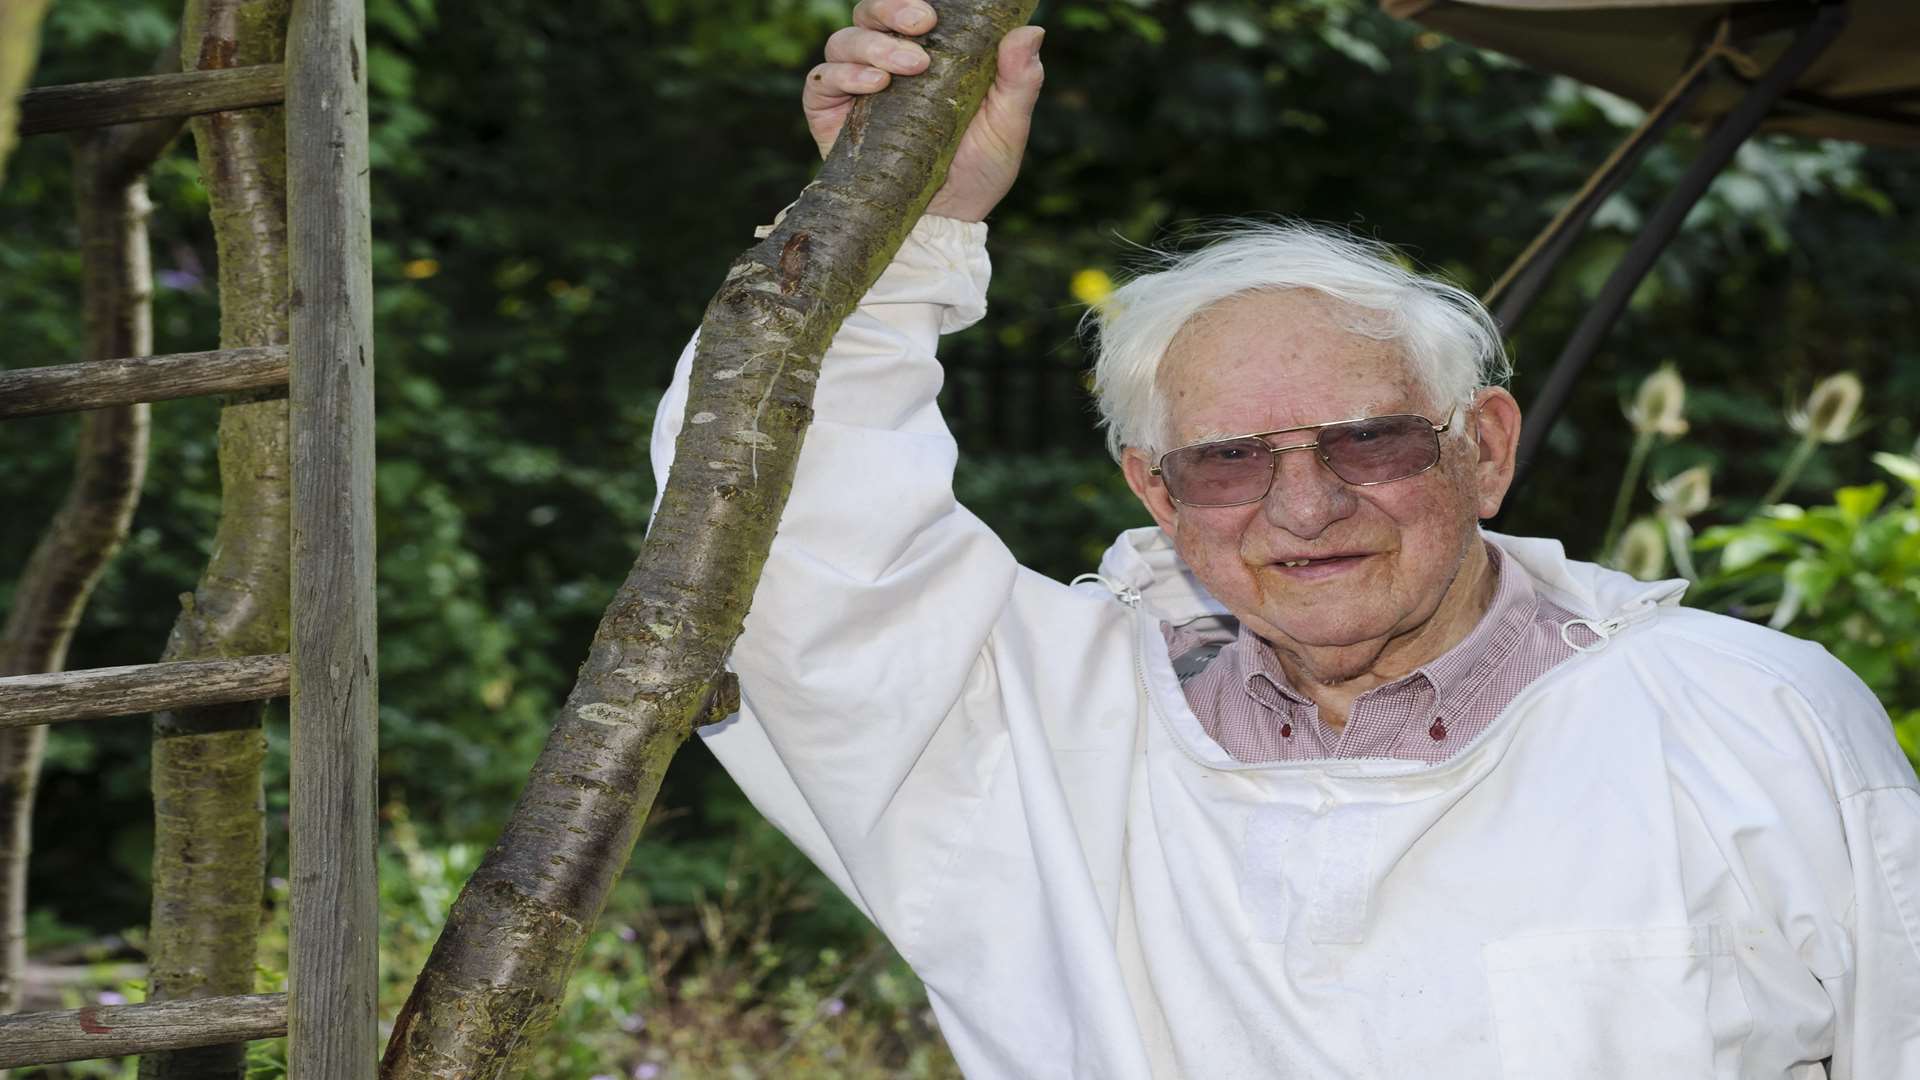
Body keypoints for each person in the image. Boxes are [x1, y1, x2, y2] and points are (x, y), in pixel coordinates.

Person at [650, 3, 1920, 1076]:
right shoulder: (1028, 744)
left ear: (1484, 446)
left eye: (1369, 439)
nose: (1303, 507)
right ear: (1154, 489)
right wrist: (901, 222)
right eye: (1228, 460)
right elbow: (766, 532)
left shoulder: (1752, 721)